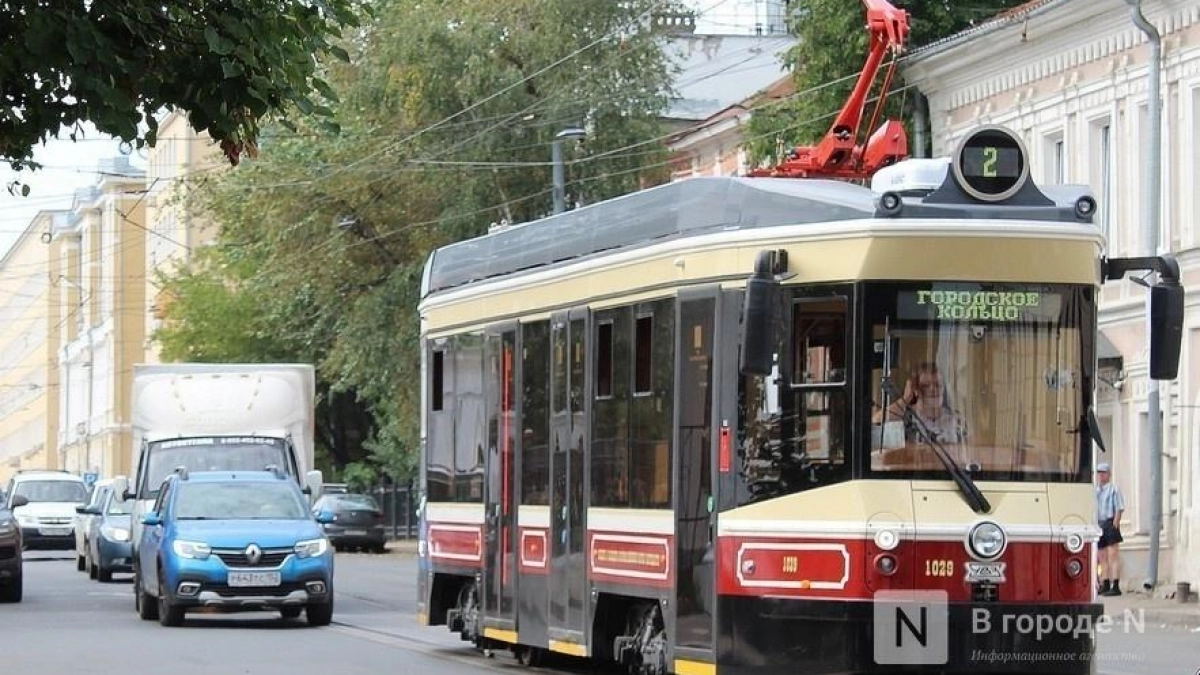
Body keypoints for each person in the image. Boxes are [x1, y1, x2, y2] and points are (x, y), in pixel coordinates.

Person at [874, 362, 968, 462]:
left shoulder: (957, 420)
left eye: (938, 384)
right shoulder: (903, 416)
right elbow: (876, 423)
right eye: (926, 386)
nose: (933, 389)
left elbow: (967, 452)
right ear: (915, 390)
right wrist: (905, 399)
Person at [1095, 461, 1125, 596]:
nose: (1100, 476)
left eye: (1103, 473)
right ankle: (1105, 583)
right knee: (1101, 556)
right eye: (1099, 473)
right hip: (1099, 523)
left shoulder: (1114, 489)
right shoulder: (1096, 491)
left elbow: (1119, 507)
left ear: (1108, 475)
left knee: (1113, 555)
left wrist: (1116, 522)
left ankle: (1116, 584)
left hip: (1110, 522)